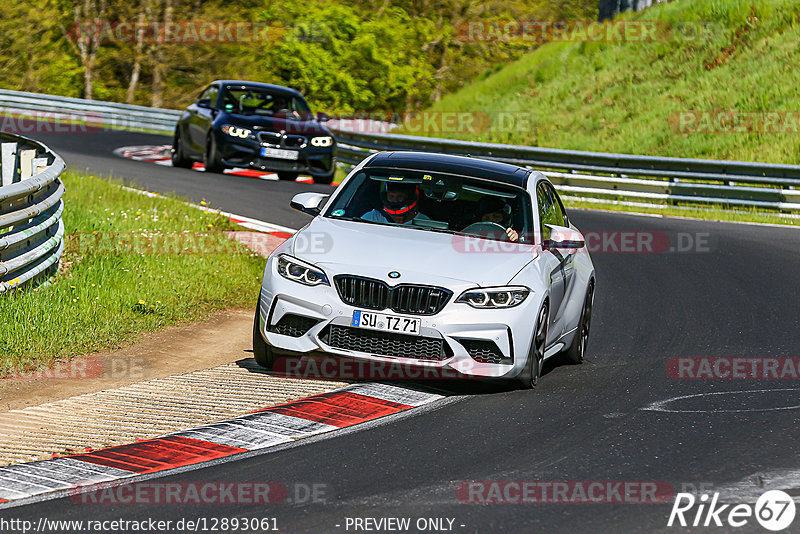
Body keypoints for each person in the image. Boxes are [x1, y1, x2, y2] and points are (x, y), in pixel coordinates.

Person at [361, 182, 430, 225]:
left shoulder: (423, 222)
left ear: (409, 197)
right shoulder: (373, 217)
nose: (395, 200)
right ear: (386, 195)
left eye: (400, 196)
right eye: (391, 196)